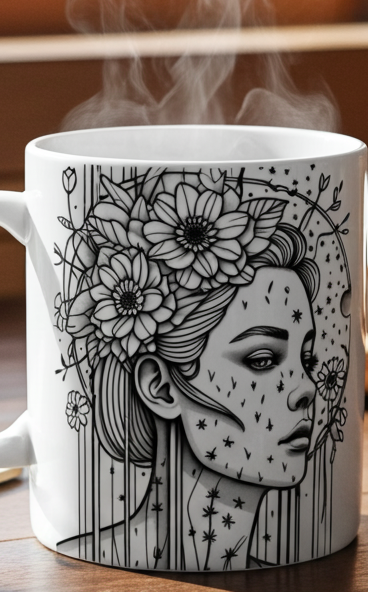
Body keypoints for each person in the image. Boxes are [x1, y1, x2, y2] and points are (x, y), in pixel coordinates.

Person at [56, 168, 334, 571]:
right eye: (263, 360)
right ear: (161, 387)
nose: (306, 388)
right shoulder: (81, 575)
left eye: (307, 361)